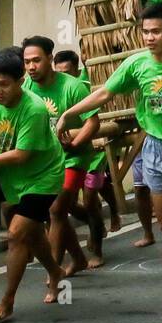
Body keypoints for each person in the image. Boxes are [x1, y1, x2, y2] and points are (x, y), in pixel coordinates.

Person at [57, 2, 162, 322]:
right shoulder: (136, 64)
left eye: (156, 31)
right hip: (154, 149)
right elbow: (104, 94)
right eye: (145, 32)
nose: (149, 37)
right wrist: (70, 113)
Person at [0, 49, 67, 321]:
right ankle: (56, 271)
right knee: (31, 234)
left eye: (4, 84)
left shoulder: (34, 109)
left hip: (43, 176)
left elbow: (22, 155)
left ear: (20, 81)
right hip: (13, 177)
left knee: (16, 234)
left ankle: (7, 301)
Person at [23, 36, 102, 273]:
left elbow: (93, 122)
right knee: (54, 214)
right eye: (27, 62)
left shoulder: (73, 86)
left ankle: (54, 272)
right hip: (43, 161)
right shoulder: (26, 89)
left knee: (56, 210)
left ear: (49, 58)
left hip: (73, 157)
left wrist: (75, 143)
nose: (31, 67)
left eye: (36, 60)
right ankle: (78, 259)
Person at [54, 49, 124, 234]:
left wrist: (77, 142)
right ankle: (96, 227)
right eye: (59, 72)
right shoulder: (52, 88)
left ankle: (111, 216)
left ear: (76, 70)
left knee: (90, 195)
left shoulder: (84, 85)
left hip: (95, 147)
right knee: (64, 204)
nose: (63, 76)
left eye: (67, 72)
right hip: (64, 153)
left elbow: (94, 121)